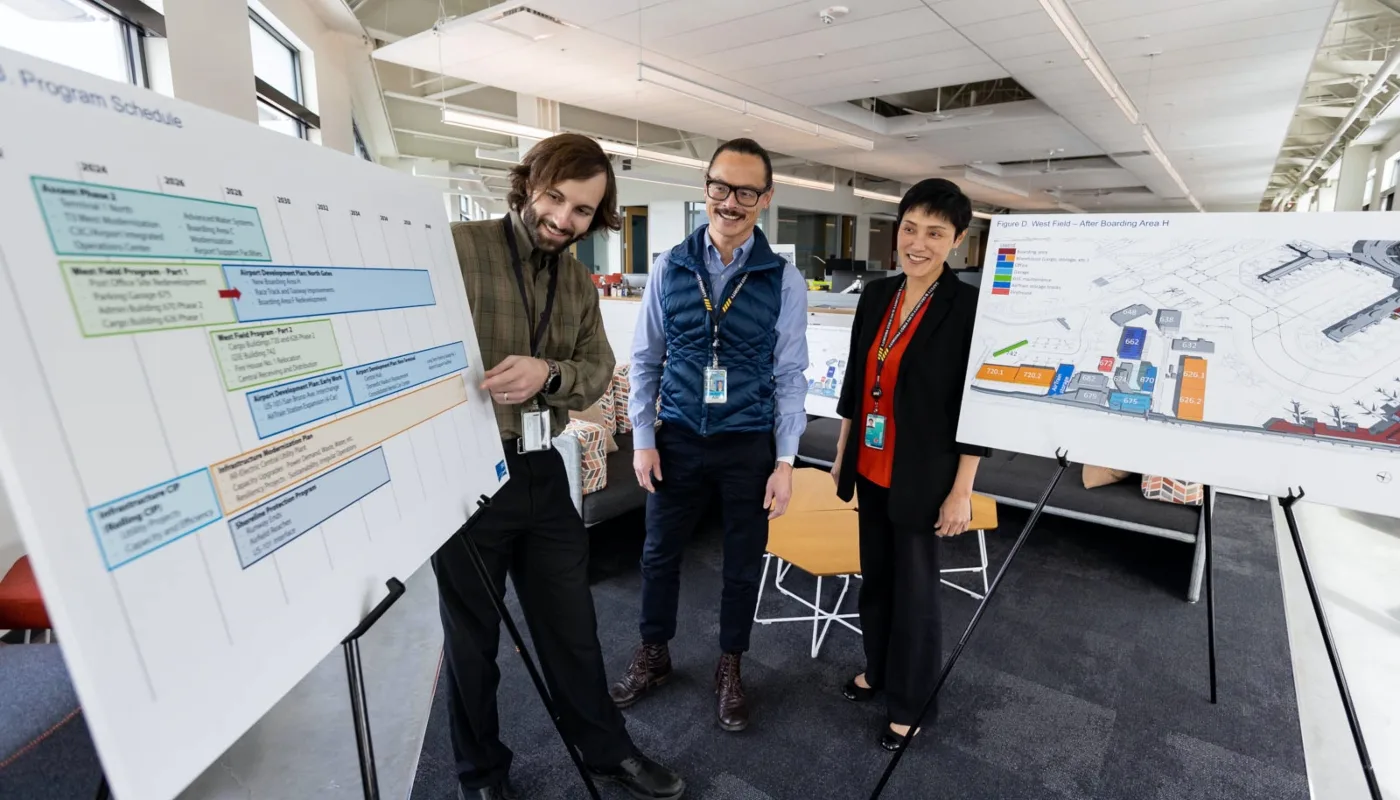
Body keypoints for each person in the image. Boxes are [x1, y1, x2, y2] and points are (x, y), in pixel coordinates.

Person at [433, 133, 684, 800]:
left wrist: (549, 373)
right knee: (472, 644)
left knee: (573, 627)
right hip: (466, 474)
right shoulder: (457, 248)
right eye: (556, 199)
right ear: (529, 185)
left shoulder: (575, 278)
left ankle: (606, 750)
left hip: (544, 467)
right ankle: (480, 773)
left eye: (582, 211)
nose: (564, 220)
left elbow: (597, 371)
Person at [610, 138, 809, 732]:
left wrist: (786, 460)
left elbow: (790, 374)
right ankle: (654, 653)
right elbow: (646, 359)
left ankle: (730, 665)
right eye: (721, 186)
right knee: (657, 554)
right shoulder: (670, 267)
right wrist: (643, 437)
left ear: (765, 199)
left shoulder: (784, 280)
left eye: (746, 191)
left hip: (747, 441)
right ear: (706, 189)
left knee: (744, 562)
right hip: (676, 438)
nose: (731, 201)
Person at [829, 178, 990, 751]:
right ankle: (879, 669)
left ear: (958, 241)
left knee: (916, 594)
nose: (918, 243)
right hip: (871, 467)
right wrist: (844, 449)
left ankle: (913, 703)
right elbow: (856, 378)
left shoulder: (969, 308)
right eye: (910, 228)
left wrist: (962, 490)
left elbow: (977, 409)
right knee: (876, 579)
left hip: (924, 475)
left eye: (935, 233)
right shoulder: (878, 295)